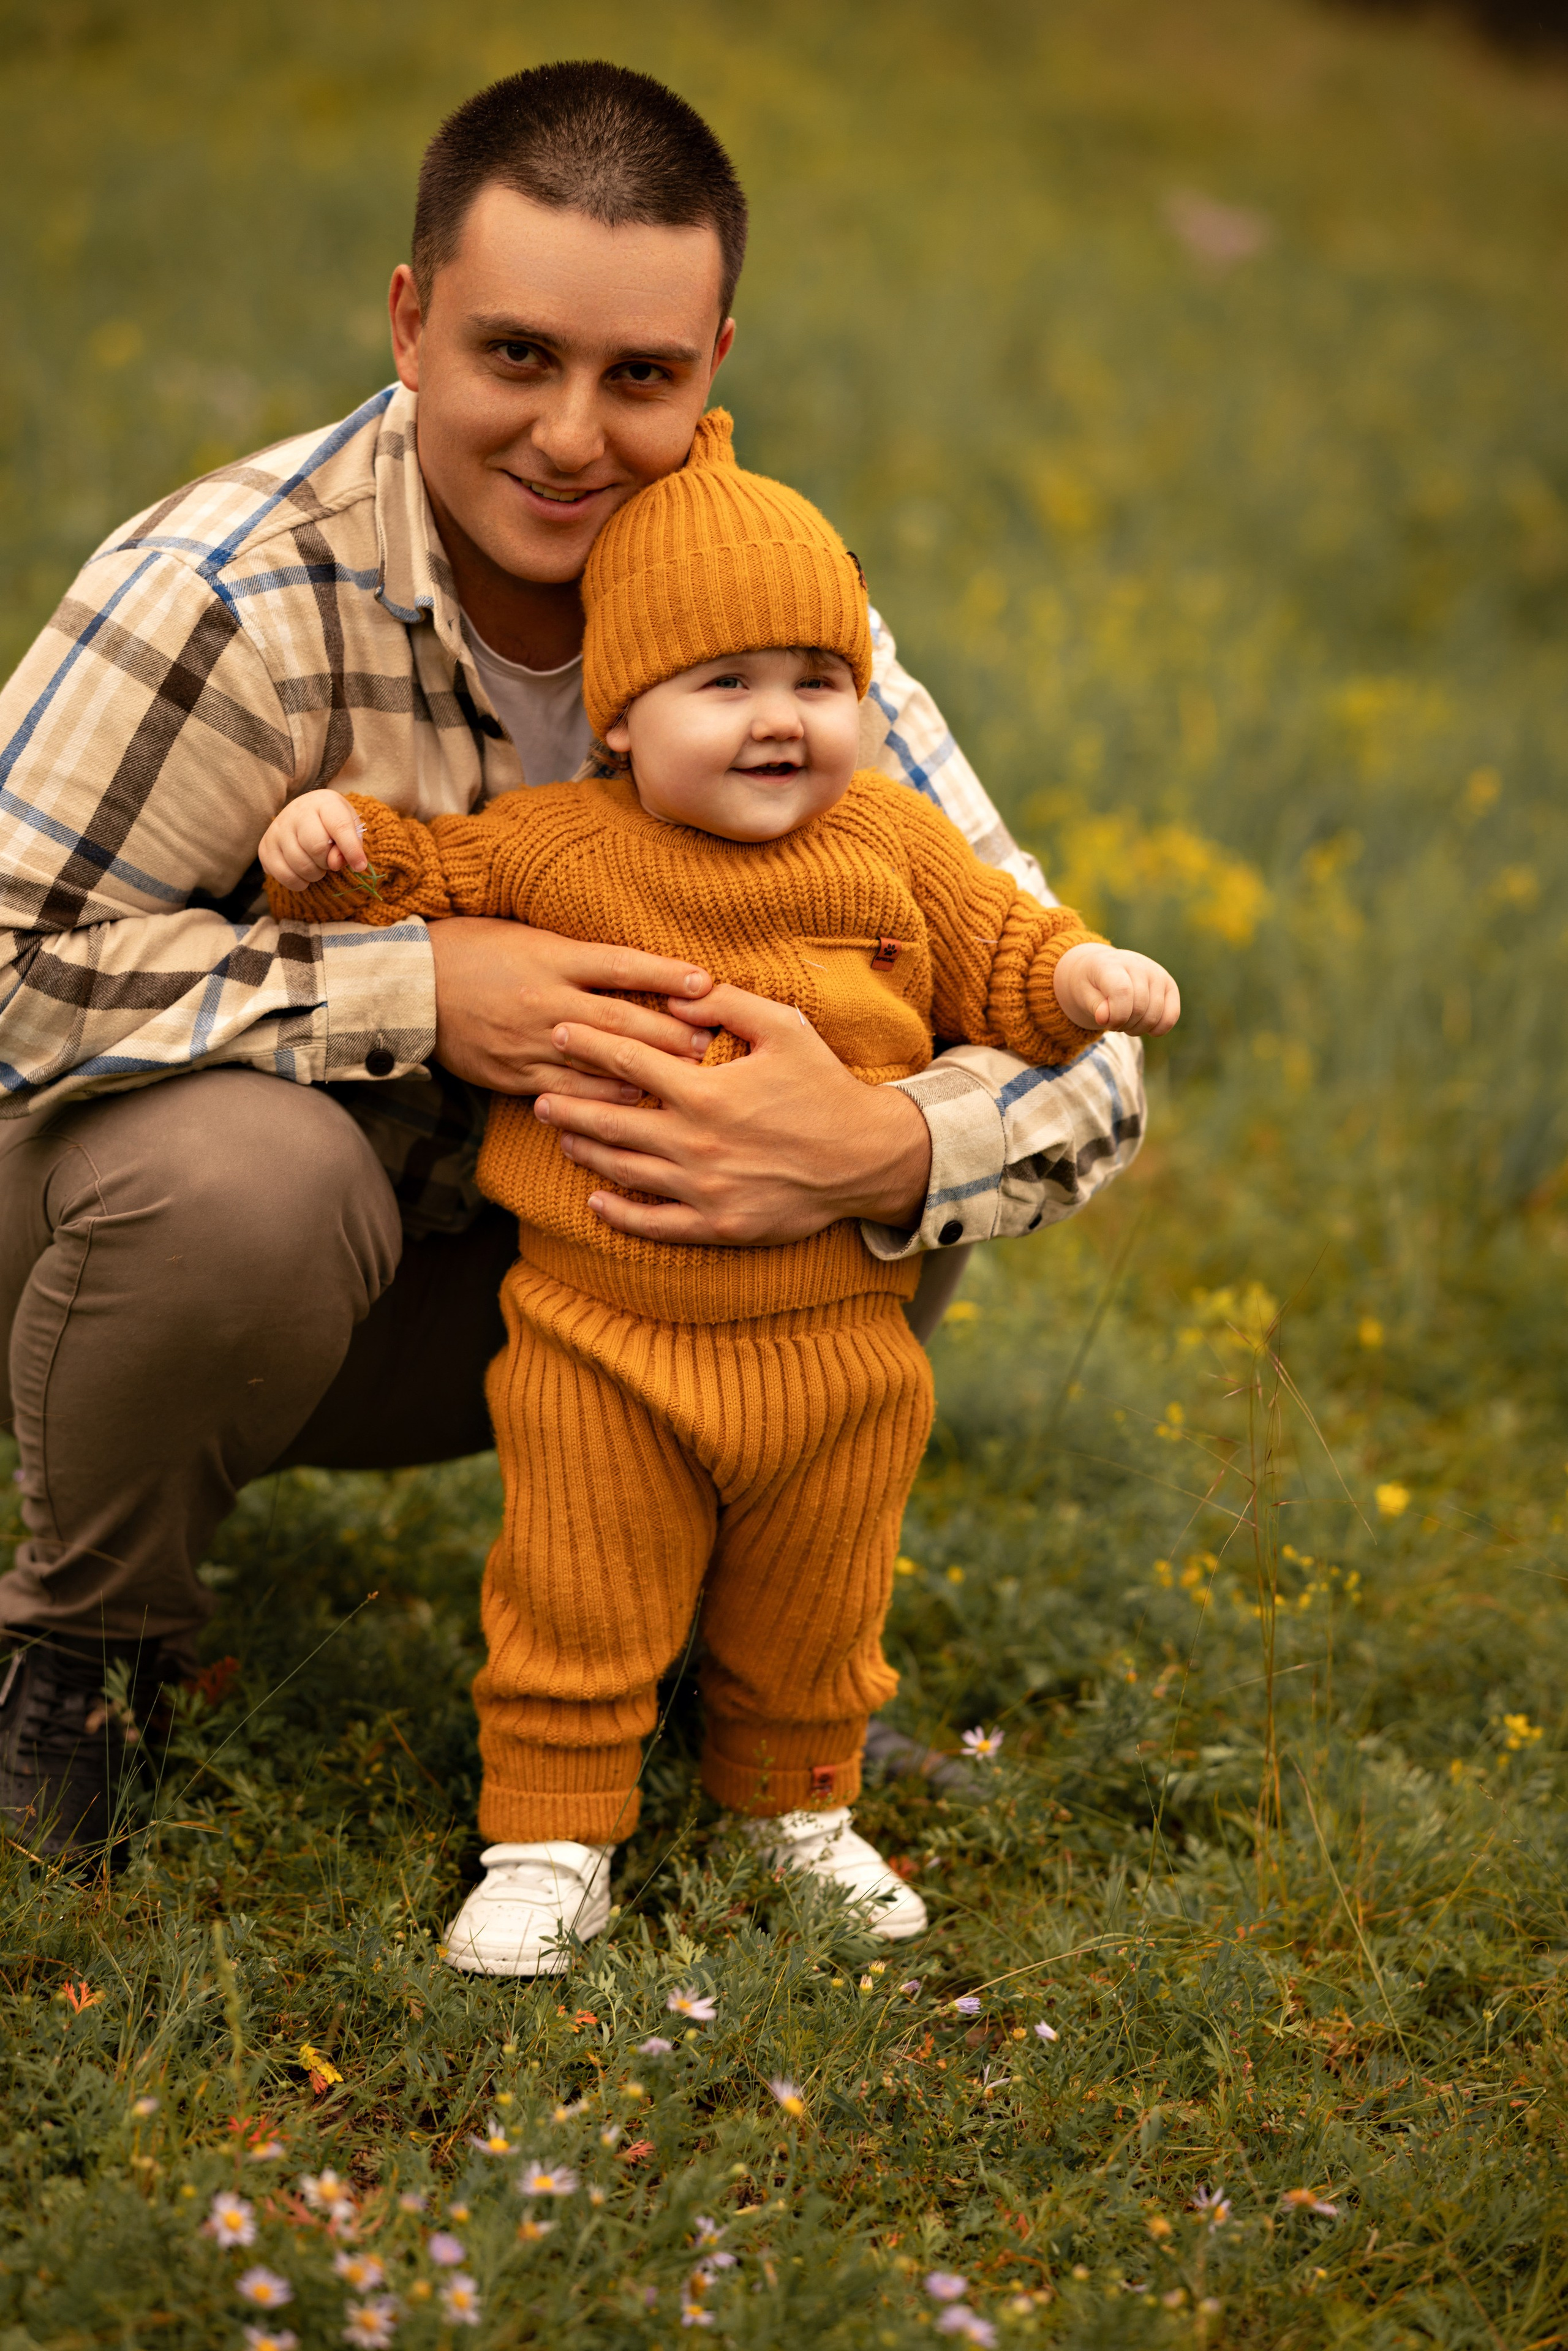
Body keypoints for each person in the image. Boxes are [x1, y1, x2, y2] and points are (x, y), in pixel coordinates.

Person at [0, 61, 1145, 1860]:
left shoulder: (780, 631)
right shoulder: (231, 589)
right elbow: (10, 967)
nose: (570, 435)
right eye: (515, 355)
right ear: (412, 319)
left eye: (643, 377)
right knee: (247, 1178)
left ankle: (732, 1655)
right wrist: (422, 986)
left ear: (714, 367)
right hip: (196, 1269)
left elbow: (1049, 1000)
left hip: (584, 1282)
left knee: (859, 1071)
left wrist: (888, 1149)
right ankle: (93, 1640)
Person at [260, 412, 1179, 1972]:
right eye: (724, 684)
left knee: (817, 1603)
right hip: (602, 1332)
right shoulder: (556, 842)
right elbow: (423, 885)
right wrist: (332, 855)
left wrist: (1080, 971)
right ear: (618, 719)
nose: (780, 721)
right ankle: (550, 1834)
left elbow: (999, 943)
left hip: (836, 1342)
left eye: (817, 681)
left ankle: (794, 1807)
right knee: (578, 1594)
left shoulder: (887, 839)